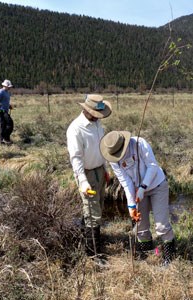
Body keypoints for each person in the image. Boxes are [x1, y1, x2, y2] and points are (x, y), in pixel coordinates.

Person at [100, 131, 176, 265]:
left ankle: (169, 258)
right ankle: (147, 253)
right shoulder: (113, 159)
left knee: (161, 225)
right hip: (136, 190)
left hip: (156, 184)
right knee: (141, 226)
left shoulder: (140, 144)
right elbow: (125, 181)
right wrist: (131, 206)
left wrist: (143, 187)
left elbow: (152, 166)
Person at [66, 94, 112, 260]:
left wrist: (105, 169)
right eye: (95, 114)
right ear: (86, 110)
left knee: (97, 207)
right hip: (86, 174)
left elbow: (101, 148)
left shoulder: (98, 124)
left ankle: (87, 239)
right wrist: (83, 181)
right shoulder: (75, 129)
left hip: (99, 170)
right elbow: (76, 158)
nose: (98, 118)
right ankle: (93, 254)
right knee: (92, 213)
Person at [0, 79, 14, 145]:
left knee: (3, 125)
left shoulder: (7, 92)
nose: (10, 87)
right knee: (10, 123)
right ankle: (6, 138)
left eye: (10, 86)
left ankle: (1, 141)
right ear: (5, 86)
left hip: (6, 110)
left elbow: (5, 101)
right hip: (1, 111)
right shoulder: (0, 92)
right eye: (9, 86)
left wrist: (9, 106)